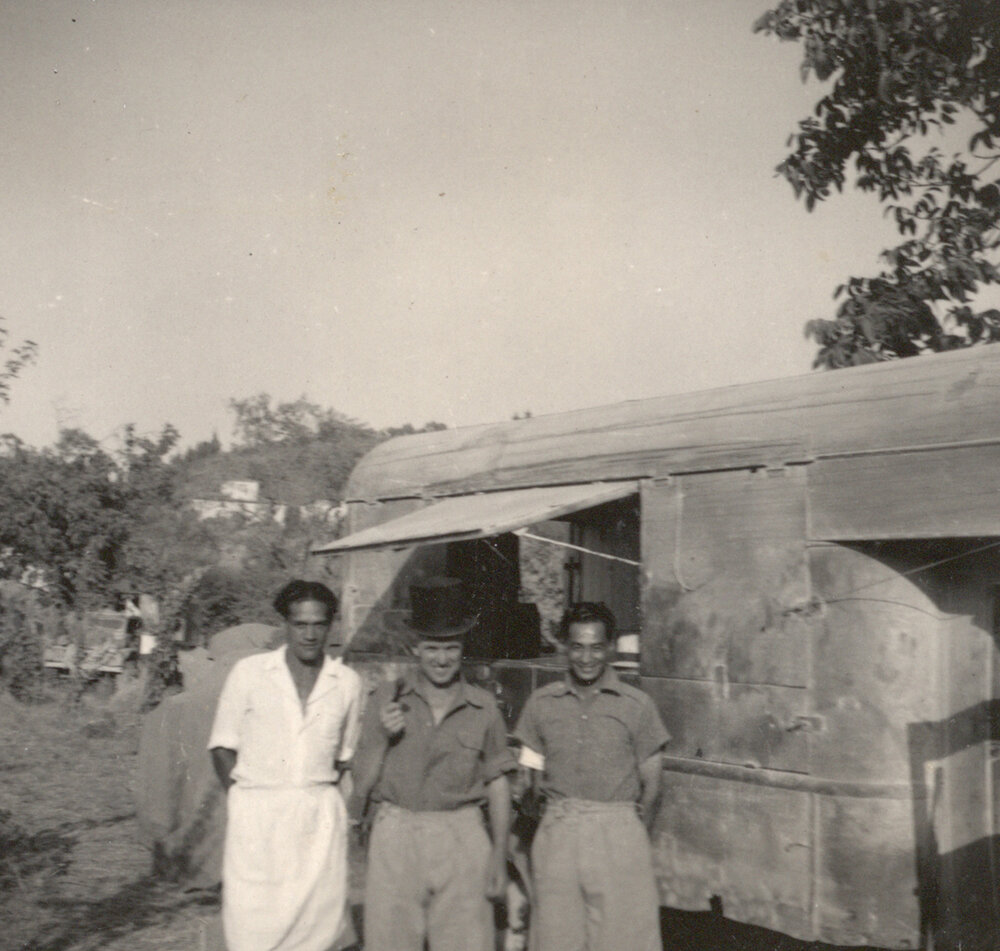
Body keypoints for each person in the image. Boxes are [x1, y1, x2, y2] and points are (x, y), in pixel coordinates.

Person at [351, 576, 516, 951]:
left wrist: (498, 857)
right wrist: (382, 735)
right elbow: (360, 784)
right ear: (415, 647)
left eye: (451, 648)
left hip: (462, 836)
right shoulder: (386, 698)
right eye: (431, 648)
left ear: (463, 648)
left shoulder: (483, 707)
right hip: (396, 834)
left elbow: (498, 784)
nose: (441, 659)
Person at [208, 580, 362, 951]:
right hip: (257, 817)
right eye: (300, 624)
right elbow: (221, 746)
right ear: (285, 624)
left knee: (317, 927)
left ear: (331, 626)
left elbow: (344, 757)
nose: (309, 634)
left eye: (319, 624)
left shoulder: (347, 683)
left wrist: (311, 796)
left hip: (317, 820)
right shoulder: (250, 673)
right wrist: (245, 801)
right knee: (253, 925)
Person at [514, 602, 669, 951]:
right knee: (556, 938)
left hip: (618, 833)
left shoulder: (637, 705)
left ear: (610, 646)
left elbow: (654, 785)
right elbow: (530, 781)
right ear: (565, 646)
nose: (587, 657)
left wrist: (631, 839)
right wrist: (530, 802)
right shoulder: (541, 703)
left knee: (624, 939)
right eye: (578, 646)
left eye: (596, 647)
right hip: (558, 832)